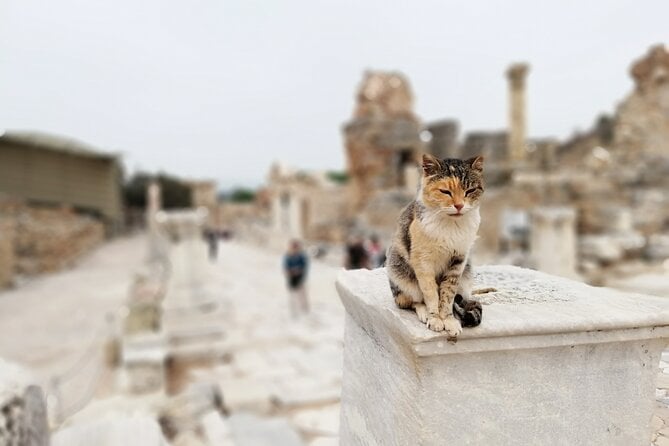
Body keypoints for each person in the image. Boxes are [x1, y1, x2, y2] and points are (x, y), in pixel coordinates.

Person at [283, 239, 310, 319]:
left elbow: (304, 268)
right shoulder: (288, 256)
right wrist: (291, 272)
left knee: (302, 295)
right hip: (292, 279)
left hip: (300, 279)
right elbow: (285, 268)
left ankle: (304, 310)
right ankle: (294, 311)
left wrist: (299, 273)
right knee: (292, 296)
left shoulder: (301, 257)